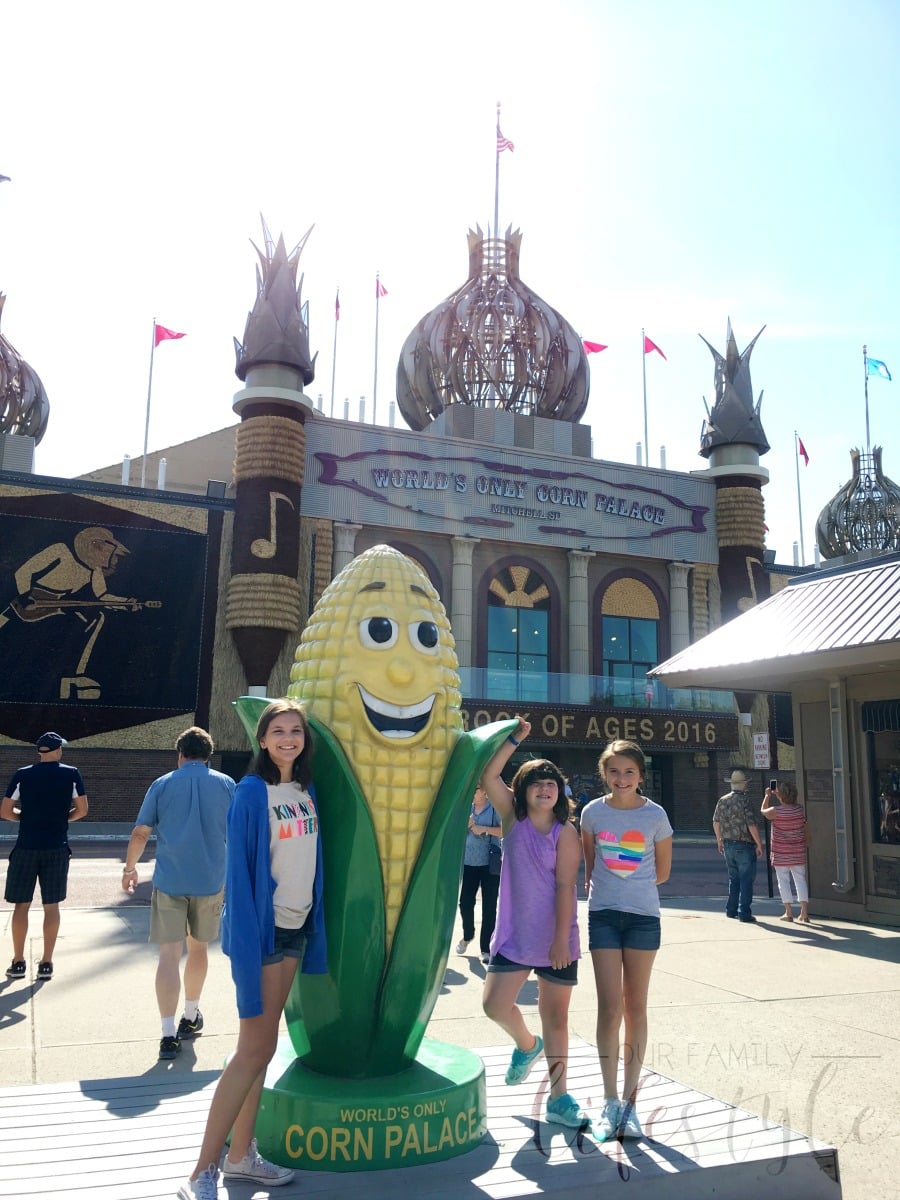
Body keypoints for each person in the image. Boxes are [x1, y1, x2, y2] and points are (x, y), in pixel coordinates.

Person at [177, 700, 326, 1200]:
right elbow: (239, 878)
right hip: (263, 935)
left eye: (296, 730)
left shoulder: (304, 791)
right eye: (278, 730)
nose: (288, 738)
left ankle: (242, 1156)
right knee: (252, 1050)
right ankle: (203, 1169)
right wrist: (245, 944)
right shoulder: (250, 793)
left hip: (296, 930)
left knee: (260, 1052)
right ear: (262, 740)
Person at [480, 718, 590, 1130]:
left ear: (560, 791)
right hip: (513, 935)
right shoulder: (512, 819)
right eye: (536, 783)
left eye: (551, 783)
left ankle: (559, 1098)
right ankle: (527, 1046)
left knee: (556, 1017)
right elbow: (488, 773)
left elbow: (566, 888)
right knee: (493, 1005)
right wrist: (514, 739)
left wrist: (561, 940)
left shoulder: (566, 834)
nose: (545, 788)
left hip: (557, 939)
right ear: (522, 791)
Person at [121, 727, 235, 1060]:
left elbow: (141, 833)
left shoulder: (162, 784)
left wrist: (130, 868)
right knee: (197, 951)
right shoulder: (227, 785)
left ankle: (167, 1033)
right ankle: (191, 1014)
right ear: (208, 755)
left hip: (170, 881)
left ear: (180, 754)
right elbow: (239, 833)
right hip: (211, 881)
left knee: (169, 956)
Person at [580, 739, 672, 1141]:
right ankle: (609, 1101)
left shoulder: (656, 815)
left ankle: (631, 1105)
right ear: (605, 774)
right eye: (614, 771)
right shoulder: (591, 813)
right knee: (609, 1008)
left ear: (641, 775)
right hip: (602, 916)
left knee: (637, 1008)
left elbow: (662, 872)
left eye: (629, 772)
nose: (622, 779)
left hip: (643, 919)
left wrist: (631, 888)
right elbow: (590, 866)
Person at [1, 732, 88, 980]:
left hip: (26, 846)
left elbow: (5, 811)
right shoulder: (71, 773)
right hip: (56, 847)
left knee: (21, 905)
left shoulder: (22, 774)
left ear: (40, 751)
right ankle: (46, 963)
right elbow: (82, 810)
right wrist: (63, 819)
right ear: (58, 750)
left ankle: (18, 962)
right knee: (52, 906)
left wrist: (23, 818)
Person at [456, 782, 501, 964]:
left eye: (475, 789)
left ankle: (486, 948)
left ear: (484, 791)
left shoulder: (494, 809)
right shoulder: (466, 807)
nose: (472, 793)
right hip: (468, 863)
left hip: (489, 864)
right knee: (465, 903)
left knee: (489, 907)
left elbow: (504, 830)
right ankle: (468, 934)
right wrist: (464, 826)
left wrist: (483, 829)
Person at [713, 768, 763, 923]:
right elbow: (751, 824)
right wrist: (758, 843)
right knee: (746, 880)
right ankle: (744, 912)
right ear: (744, 785)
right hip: (744, 844)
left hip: (728, 844)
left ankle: (731, 909)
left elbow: (716, 822)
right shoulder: (745, 800)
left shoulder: (722, 800)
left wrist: (719, 839)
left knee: (733, 878)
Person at [761, 780, 810, 923]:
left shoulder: (775, 811)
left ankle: (788, 912)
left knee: (783, 881)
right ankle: (804, 913)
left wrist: (768, 796)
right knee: (800, 880)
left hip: (781, 852)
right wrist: (781, 795)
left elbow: (763, 811)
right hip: (797, 851)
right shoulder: (799, 810)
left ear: (781, 796)